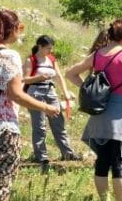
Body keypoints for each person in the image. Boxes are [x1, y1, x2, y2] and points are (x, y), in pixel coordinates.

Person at [0, 10, 60, 201]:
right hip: (2, 126)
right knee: (3, 180)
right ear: (11, 29)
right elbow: (15, 93)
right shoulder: (8, 55)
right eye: (20, 28)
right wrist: (46, 107)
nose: (21, 33)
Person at [65, 18, 122, 201]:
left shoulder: (97, 54)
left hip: (99, 116)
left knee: (101, 162)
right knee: (119, 163)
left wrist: (87, 88)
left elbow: (70, 73)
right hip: (120, 116)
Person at [23, 35, 81, 168]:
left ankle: (67, 153)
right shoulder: (30, 60)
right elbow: (25, 79)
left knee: (58, 123)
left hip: (51, 92)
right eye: (48, 48)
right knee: (39, 126)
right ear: (40, 47)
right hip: (35, 93)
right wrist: (39, 77)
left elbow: (59, 76)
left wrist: (65, 92)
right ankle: (41, 156)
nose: (50, 51)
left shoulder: (52, 59)